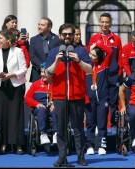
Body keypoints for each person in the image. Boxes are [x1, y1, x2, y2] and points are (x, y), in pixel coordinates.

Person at [45, 23, 92, 167]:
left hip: (76, 95)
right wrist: (56, 61)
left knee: (78, 128)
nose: (67, 37)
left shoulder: (81, 50)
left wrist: (78, 60)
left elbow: (89, 69)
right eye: (64, 34)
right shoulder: (54, 51)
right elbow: (48, 73)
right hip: (59, 96)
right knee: (61, 129)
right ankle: (62, 157)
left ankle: (80, 156)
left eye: (69, 34)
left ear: (73, 35)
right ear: (59, 35)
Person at [0, 29, 27, 155]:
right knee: (1, 115)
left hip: (15, 87)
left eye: (0, 38)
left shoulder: (18, 51)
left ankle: (18, 144)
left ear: (8, 39)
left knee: (16, 115)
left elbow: (24, 69)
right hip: (0, 87)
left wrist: (11, 75)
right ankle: (2, 143)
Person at [89, 12, 123, 129]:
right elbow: (91, 57)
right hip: (99, 75)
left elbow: (119, 57)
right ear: (99, 22)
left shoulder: (116, 39)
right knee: (99, 101)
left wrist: (119, 73)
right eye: (102, 22)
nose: (104, 24)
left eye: (107, 22)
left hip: (113, 75)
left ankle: (113, 126)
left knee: (113, 102)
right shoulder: (94, 38)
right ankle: (99, 125)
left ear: (111, 23)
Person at [85, 42, 113, 156]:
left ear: (99, 57)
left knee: (102, 123)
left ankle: (102, 145)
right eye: (90, 54)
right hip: (90, 98)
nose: (91, 57)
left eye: (94, 55)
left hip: (102, 98)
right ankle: (90, 146)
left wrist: (97, 44)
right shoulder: (86, 66)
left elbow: (110, 51)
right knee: (90, 123)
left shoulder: (104, 64)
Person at [25, 67, 57, 145]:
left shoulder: (56, 84)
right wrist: (36, 104)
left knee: (57, 110)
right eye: (42, 72)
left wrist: (55, 103)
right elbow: (27, 98)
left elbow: (63, 97)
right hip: (39, 108)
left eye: (44, 72)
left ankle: (56, 134)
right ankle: (43, 134)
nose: (42, 74)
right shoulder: (35, 84)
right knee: (41, 110)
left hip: (52, 106)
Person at [29, 17, 60, 82]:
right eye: (39, 24)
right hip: (38, 73)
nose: (39, 27)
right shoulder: (33, 40)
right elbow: (32, 56)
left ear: (49, 27)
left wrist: (49, 67)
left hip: (53, 73)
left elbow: (58, 54)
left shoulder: (57, 39)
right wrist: (42, 67)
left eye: (42, 25)